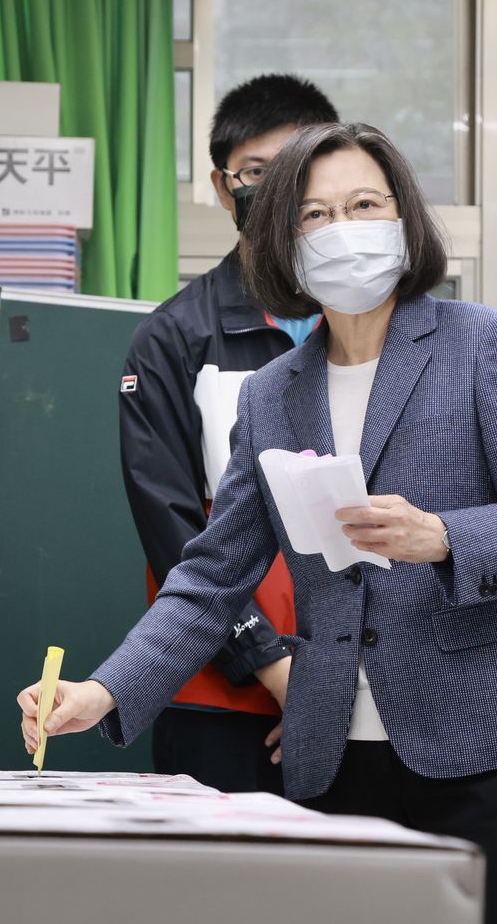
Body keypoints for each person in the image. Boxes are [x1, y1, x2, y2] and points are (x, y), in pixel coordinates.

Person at [20, 122, 497, 924]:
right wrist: (103, 690)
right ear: (284, 243)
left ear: (403, 217)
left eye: (364, 205)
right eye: (315, 215)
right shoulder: (272, 393)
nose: (344, 230)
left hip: (493, 749)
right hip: (333, 755)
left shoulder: (481, 345)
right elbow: (210, 579)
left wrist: (444, 538)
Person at [118, 74, 338, 795]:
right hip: (220, 695)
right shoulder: (172, 339)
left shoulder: (380, 326)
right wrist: (275, 668)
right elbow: (173, 527)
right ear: (222, 187)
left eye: (298, 169)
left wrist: (340, 679)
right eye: (256, 172)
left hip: (367, 690)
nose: (279, 192)